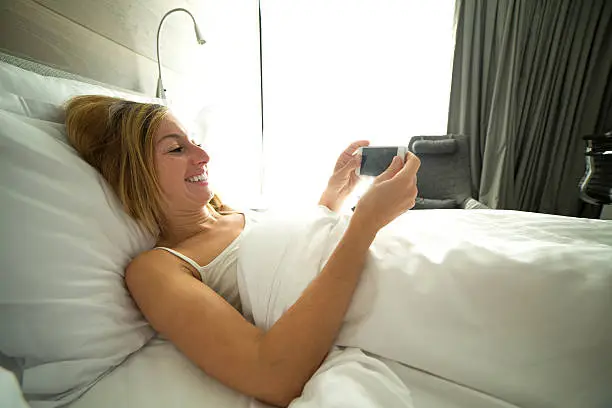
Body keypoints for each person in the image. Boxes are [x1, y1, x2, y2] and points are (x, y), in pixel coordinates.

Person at [64, 95, 420, 407]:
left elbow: (291, 257)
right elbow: (273, 377)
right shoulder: (158, 268)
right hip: (385, 283)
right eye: (177, 149)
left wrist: (332, 197)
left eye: (195, 142)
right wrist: (365, 224)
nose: (203, 156)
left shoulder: (238, 212)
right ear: (135, 172)